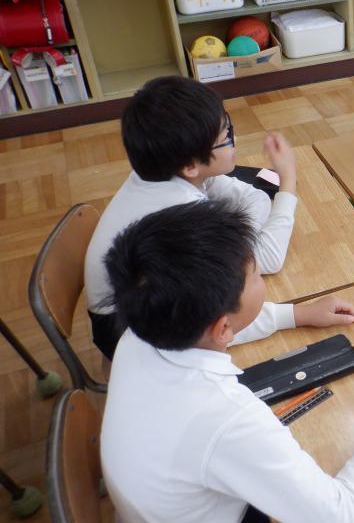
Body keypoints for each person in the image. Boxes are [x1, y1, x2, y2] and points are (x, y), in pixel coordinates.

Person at [100, 199, 354, 523]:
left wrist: (296, 314)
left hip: (158, 522)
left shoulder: (141, 328)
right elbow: (341, 522)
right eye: (255, 273)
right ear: (222, 326)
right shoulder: (227, 418)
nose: (259, 276)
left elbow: (212, 331)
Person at [84, 76, 297, 359]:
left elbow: (254, 198)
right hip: (130, 334)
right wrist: (288, 180)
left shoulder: (166, 166)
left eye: (228, 127)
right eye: (226, 138)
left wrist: (239, 240)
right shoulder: (180, 213)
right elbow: (269, 258)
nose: (234, 141)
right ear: (190, 165)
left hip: (142, 302)